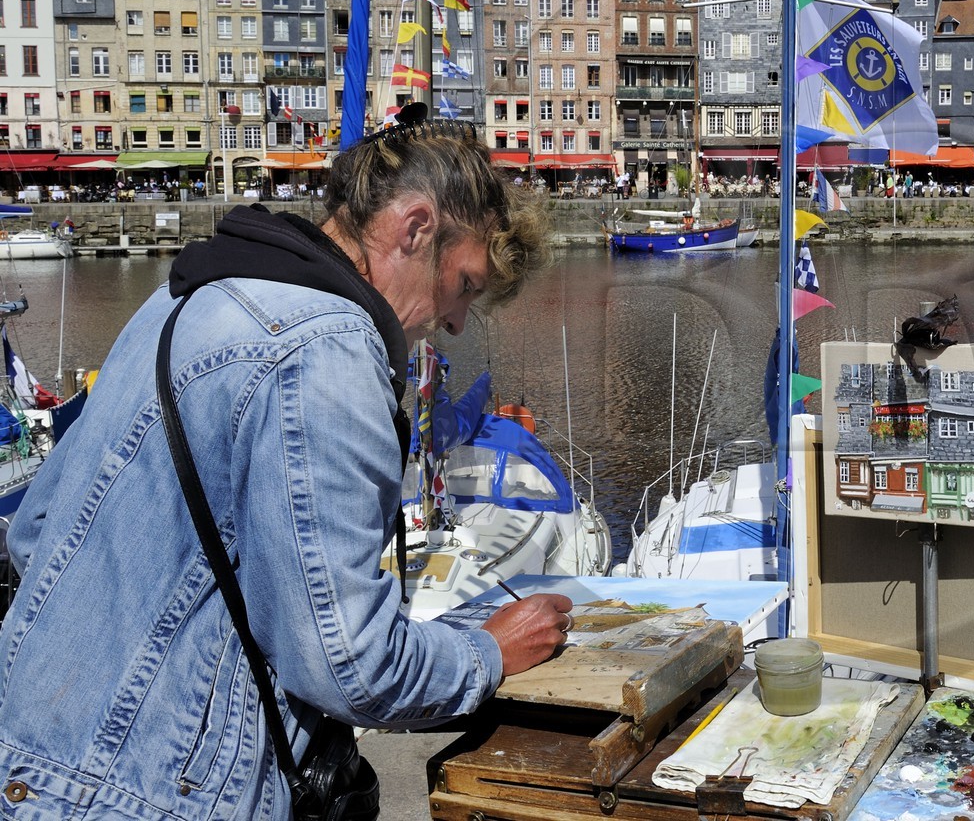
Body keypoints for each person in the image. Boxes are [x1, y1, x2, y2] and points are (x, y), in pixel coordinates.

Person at [0, 110, 572, 818]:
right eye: (464, 286)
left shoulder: (182, 298)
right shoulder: (327, 348)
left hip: (32, 766)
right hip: (151, 798)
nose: (456, 322)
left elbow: (37, 530)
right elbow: (352, 665)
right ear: (416, 228)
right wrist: (487, 652)